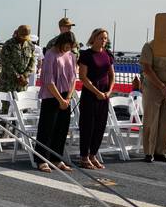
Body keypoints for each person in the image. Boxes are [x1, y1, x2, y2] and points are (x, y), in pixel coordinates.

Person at [35, 31, 78, 172]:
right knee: (47, 129)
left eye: (71, 46)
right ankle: (42, 160)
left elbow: (73, 79)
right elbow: (48, 80)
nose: (68, 48)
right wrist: (60, 99)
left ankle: (56, 158)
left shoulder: (71, 56)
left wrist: (68, 97)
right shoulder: (50, 54)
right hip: (51, 95)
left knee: (61, 129)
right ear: (61, 42)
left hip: (66, 96)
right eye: (66, 45)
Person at [76, 28, 114, 169]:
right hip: (90, 95)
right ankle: (84, 156)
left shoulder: (108, 54)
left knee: (100, 126)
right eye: (101, 38)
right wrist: (96, 92)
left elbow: (111, 75)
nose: (103, 40)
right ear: (94, 38)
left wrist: (109, 91)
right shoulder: (86, 55)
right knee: (88, 126)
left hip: (104, 95)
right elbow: (83, 77)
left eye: (105, 38)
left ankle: (93, 154)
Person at [0, 25, 38, 94]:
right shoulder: (8, 45)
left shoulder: (30, 46)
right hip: (8, 83)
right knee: (7, 104)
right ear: (17, 33)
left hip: (22, 85)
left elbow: (32, 63)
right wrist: (17, 76)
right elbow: (5, 63)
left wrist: (25, 76)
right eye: (22, 36)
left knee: (21, 104)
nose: (23, 39)